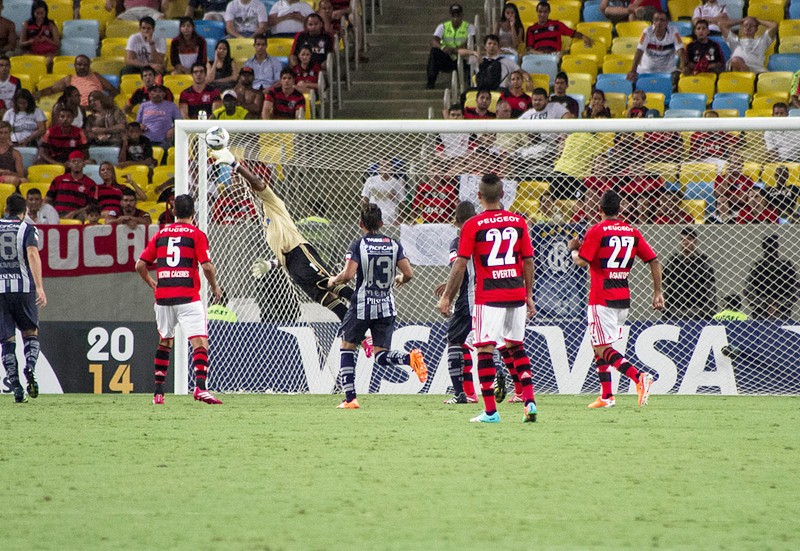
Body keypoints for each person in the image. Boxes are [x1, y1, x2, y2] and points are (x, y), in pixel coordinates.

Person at [209, 146, 356, 321]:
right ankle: (361, 336)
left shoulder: (272, 202)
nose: (238, 186)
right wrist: (271, 264)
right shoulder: (265, 220)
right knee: (327, 300)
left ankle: (364, 304)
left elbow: (257, 183)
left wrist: (235, 165)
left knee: (328, 283)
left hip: (300, 252)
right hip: (291, 264)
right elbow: (282, 250)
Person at [437, 173, 538, 424]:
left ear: (479, 196)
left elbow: (460, 265)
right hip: (515, 293)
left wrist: (447, 297)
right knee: (516, 347)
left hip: (487, 295)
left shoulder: (472, 225)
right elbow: (528, 261)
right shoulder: (518, 222)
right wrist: (529, 296)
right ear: (503, 195)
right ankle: (530, 402)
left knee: (483, 348)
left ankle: (491, 412)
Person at [568, 189, 663, 409]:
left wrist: (573, 250)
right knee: (598, 343)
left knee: (602, 348)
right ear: (620, 210)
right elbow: (654, 260)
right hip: (622, 297)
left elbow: (582, 261)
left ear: (599, 209)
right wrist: (657, 292)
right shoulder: (632, 232)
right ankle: (607, 396)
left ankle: (639, 377)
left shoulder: (597, 230)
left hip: (601, 298)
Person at [326, 203, 427, 409]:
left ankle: (350, 398)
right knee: (381, 356)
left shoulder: (358, 245)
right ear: (381, 223)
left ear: (360, 224)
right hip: (386, 307)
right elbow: (409, 274)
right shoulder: (394, 244)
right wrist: (399, 278)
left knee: (347, 347)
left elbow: (348, 275)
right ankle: (410, 359)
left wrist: (333, 281)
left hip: (362, 306)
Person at [135, 194, 224, 405]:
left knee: (165, 341)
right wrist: (214, 287)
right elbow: (207, 266)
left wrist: (151, 282)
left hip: (163, 297)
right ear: (194, 213)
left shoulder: (161, 234)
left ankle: (158, 393)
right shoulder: (196, 234)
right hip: (187, 296)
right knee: (200, 341)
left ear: (173, 212)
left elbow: (140, 265)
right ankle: (201, 388)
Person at [0, 193, 46, 403]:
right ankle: (30, 367)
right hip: (23, 288)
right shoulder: (27, 228)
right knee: (30, 333)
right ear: (24, 210)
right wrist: (39, 287)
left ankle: (16, 388)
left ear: (6, 208)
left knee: (7, 340)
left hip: (0, 291)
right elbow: (32, 253)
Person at [434, 200, 478, 404]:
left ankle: (461, 393)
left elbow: (459, 268)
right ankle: (520, 390)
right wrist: (449, 281)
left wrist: (447, 297)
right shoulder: (484, 236)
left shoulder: (459, 240)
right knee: (495, 344)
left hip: (468, 299)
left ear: (456, 221)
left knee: (454, 340)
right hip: (489, 297)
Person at [662, 227, 717, 320]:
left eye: (689, 239)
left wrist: (709, 310)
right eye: (683, 239)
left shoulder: (702, 261)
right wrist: (665, 307)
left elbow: (710, 285)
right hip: (675, 310)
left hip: (698, 310)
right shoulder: (673, 261)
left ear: (695, 241)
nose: (685, 242)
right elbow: (665, 284)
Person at [744, 234, 798, 320]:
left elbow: (748, 290)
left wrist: (765, 304)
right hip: (781, 311)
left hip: (762, 312)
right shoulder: (787, 266)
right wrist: (780, 304)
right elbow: (796, 289)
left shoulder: (757, 266)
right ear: (777, 247)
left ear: (763, 248)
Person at [34, 55, 119, 108]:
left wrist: (108, 99)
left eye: (85, 65)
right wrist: (39, 93)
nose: (82, 67)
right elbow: (52, 89)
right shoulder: (69, 78)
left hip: (95, 109)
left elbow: (113, 90)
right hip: (76, 110)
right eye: (79, 64)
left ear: (89, 66)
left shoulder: (96, 76)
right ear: (75, 66)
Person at [426, 4, 476, 89]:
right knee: (434, 52)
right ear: (450, 15)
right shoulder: (443, 26)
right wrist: (443, 47)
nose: (456, 18)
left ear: (462, 15)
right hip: (447, 56)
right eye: (453, 15)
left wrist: (456, 49)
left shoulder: (469, 27)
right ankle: (430, 82)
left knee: (472, 59)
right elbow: (434, 41)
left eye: (458, 15)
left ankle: (471, 84)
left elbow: (471, 40)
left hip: (462, 57)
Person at [627, 11, 687, 82]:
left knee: (679, 77)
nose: (659, 23)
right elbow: (639, 51)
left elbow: (680, 50)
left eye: (662, 20)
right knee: (631, 78)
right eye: (656, 20)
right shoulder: (647, 32)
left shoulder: (673, 31)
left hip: (667, 71)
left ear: (667, 22)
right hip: (646, 70)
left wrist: (683, 65)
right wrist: (633, 70)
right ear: (653, 22)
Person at [525, 1, 593, 56]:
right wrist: (541, 54)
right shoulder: (531, 29)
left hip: (553, 54)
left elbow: (572, 33)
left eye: (545, 12)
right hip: (537, 55)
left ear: (549, 12)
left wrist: (584, 37)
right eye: (540, 12)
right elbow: (529, 48)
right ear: (537, 12)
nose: (542, 14)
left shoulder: (556, 25)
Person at [45, 151, 98, 219]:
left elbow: (91, 206)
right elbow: (48, 199)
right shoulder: (58, 180)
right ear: (69, 164)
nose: (76, 164)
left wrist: (74, 213)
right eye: (73, 161)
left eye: (79, 161)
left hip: (77, 215)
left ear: (84, 164)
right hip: (56, 213)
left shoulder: (90, 184)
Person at [361, 159, 405, 225]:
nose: (384, 168)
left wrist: (400, 219)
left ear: (391, 168)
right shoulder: (370, 180)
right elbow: (365, 200)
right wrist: (363, 217)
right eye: (382, 165)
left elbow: (403, 203)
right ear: (378, 168)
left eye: (387, 165)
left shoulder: (396, 183)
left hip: (391, 221)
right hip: (373, 220)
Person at [19, 0, 60, 70]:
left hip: (48, 54)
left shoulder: (51, 24)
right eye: (37, 13)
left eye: (42, 13)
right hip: (32, 53)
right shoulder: (26, 24)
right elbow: (21, 43)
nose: (40, 16)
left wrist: (47, 39)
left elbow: (57, 44)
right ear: (33, 12)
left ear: (46, 12)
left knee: (47, 62)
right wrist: (31, 41)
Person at [0, 122, 26, 186]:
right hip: (6, 178)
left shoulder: (15, 153)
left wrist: (10, 173)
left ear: (9, 134)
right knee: (14, 180)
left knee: (24, 181)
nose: (3, 136)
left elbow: (21, 174)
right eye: (0, 133)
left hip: (9, 176)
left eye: (6, 133)